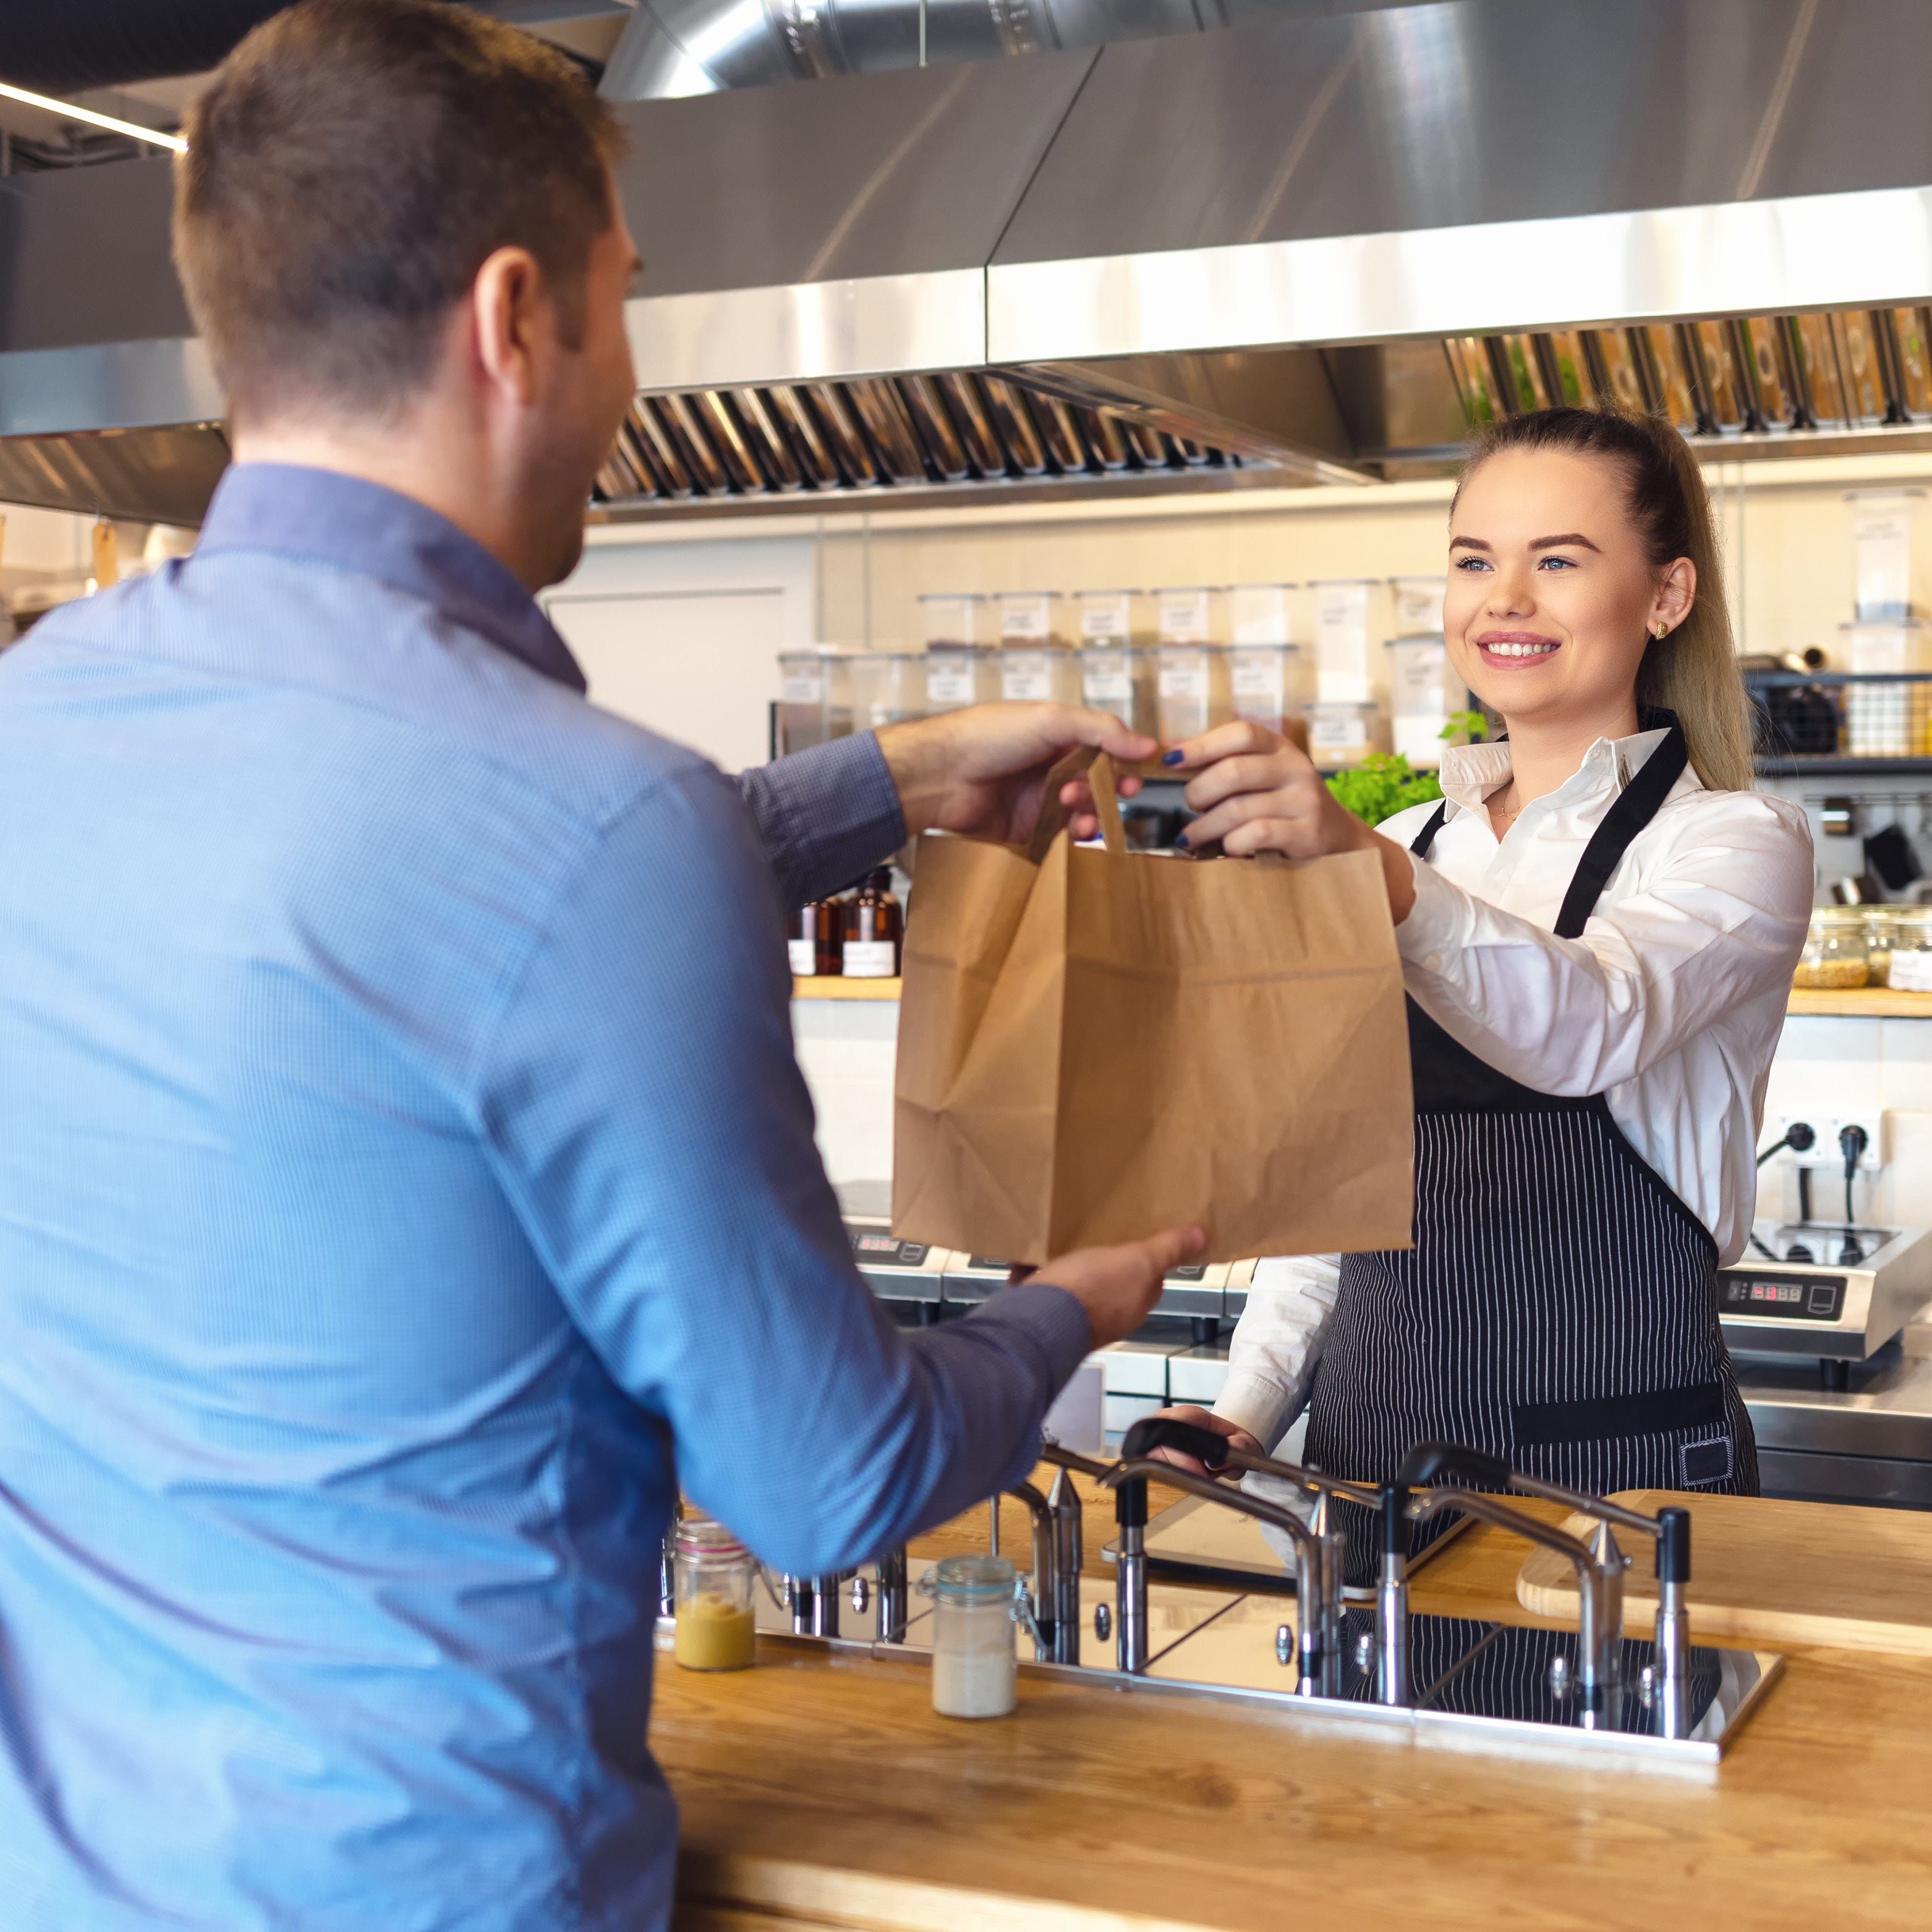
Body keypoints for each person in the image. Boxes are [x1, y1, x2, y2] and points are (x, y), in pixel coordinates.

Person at [0, 5, 1201, 1927]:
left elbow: (426, 913)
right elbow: (829, 1478)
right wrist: (1077, 1295)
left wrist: (881, 779)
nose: (632, 385)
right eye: (625, 306)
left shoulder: (37, 715)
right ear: (514, 320)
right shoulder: (598, 825)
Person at [1151, 405, 1812, 1561]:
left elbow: (1584, 1023)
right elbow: (1338, 1194)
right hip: (1366, 1462)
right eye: (1474, 559)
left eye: (1556, 560)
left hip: (1609, 1480)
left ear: (1664, 596)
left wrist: (1366, 873)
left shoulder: (1737, 842)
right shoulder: (1411, 841)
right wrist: (1240, 1408)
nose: (1503, 597)